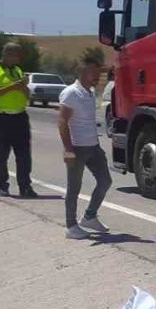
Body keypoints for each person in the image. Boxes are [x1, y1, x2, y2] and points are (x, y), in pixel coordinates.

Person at [58, 58, 112, 239]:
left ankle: (89, 217)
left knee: (105, 181)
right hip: (77, 148)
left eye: (98, 73)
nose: (96, 76)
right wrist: (67, 149)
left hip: (93, 147)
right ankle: (71, 226)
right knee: (74, 187)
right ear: (81, 72)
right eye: (93, 72)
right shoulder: (71, 93)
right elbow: (62, 122)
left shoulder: (90, 92)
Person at [0, 40, 37, 198]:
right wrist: (12, 87)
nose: (19, 58)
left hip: (20, 117)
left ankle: (25, 186)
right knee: (1, 155)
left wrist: (24, 87)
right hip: (1, 117)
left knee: (24, 155)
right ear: (8, 54)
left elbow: (27, 95)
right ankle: (2, 185)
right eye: (17, 55)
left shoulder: (17, 70)